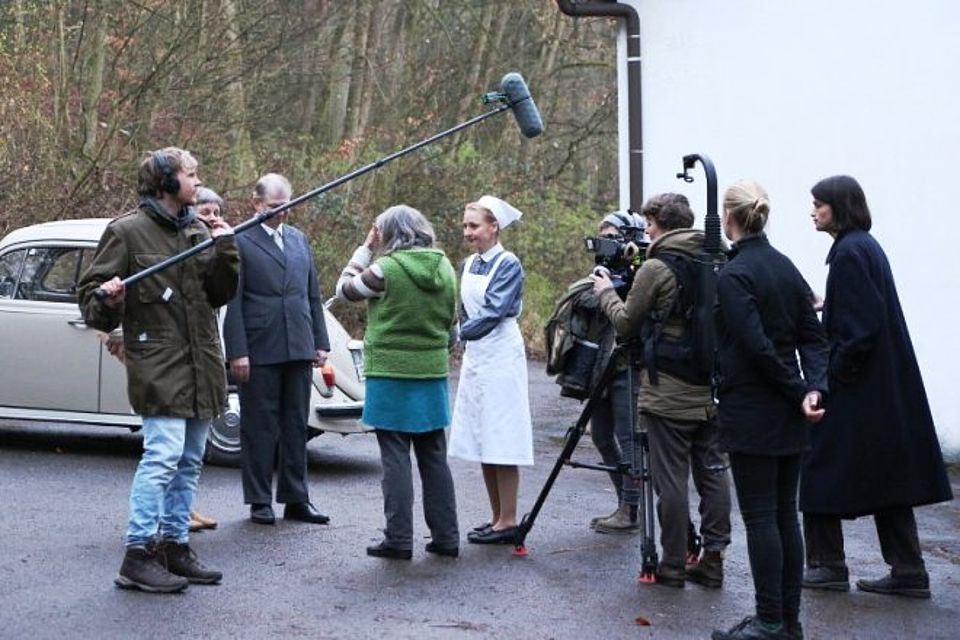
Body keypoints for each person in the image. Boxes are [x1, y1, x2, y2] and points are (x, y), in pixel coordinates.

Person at [78, 146, 239, 593]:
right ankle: (137, 554)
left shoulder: (197, 230)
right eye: (190, 174)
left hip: (201, 361)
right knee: (163, 456)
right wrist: (107, 297)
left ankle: (175, 546)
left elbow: (220, 293)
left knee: (189, 461)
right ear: (167, 182)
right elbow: (93, 307)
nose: (197, 179)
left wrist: (225, 246)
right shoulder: (126, 233)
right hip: (158, 365)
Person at [799, 175, 953, 599]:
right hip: (882, 389)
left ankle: (827, 565)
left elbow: (860, 330)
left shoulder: (849, 253)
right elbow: (863, 311)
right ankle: (909, 571)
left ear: (839, 207)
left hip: (859, 388)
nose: (812, 212)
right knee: (889, 478)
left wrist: (829, 382)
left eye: (819, 204)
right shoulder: (865, 246)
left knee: (817, 467)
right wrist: (828, 305)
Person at [709, 180, 829, 640]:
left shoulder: (734, 274)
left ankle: (771, 621)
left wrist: (802, 389)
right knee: (783, 516)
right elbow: (812, 337)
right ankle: (786, 621)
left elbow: (756, 347)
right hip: (788, 410)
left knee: (763, 517)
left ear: (728, 217)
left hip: (755, 408)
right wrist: (812, 389)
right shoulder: (784, 267)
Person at [592, 193, 731, 588]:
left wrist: (606, 292)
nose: (646, 231)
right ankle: (713, 558)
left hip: (667, 388)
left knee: (669, 479)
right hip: (711, 384)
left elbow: (625, 323)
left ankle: (671, 564)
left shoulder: (657, 267)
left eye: (649, 224)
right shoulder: (718, 256)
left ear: (660, 222)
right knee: (714, 473)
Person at [336, 204, 460, 560]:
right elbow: (452, 326)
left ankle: (399, 538)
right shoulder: (445, 267)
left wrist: (365, 248)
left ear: (389, 234)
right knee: (434, 456)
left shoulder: (385, 269)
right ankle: (446, 536)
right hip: (431, 372)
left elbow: (344, 290)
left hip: (391, 372)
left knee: (395, 459)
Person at [222, 173, 331, 526]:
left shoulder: (299, 240)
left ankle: (296, 498)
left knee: (296, 424)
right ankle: (258, 500)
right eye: (273, 207)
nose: (282, 213)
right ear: (256, 204)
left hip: (298, 344)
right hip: (259, 346)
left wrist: (320, 341)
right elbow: (232, 302)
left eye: (287, 206)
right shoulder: (240, 240)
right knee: (259, 426)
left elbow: (311, 294)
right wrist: (237, 351)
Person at [449, 195, 534, 545]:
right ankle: (496, 516)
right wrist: (461, 334)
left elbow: (494, 311)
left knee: (502, 435)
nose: (468, 232)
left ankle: (509, 519)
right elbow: (466, 311)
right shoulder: (469, 264)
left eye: (474, 226)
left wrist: (454, 335)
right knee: (483, 436)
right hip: (477, 355)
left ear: (493, 227)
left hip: (500, 353)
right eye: (466, 226)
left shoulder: (508, 264)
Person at [559, 211, 644, 533]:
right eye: (601, 235)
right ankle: (625, 502)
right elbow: (581, 297)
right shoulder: (602, 274)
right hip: (601, 368)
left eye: (610, 236)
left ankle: (631, 509)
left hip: (627, 367)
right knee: (601, 436)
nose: (603, 242)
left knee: (629, 438)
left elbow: (626, 313)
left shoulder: (641, 275)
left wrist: (610, 290)